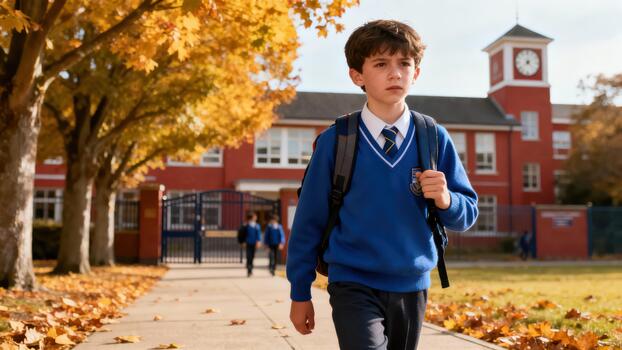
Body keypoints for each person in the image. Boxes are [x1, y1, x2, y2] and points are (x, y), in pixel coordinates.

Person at [286, 20, 479, 349]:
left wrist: (447, 199)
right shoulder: (336, 142)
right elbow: (309, 221)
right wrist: (299, 292)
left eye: (404, 63)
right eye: (381, 64)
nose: (395, 73)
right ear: (357, 76)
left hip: (412, 284)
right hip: (352, 281)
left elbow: (467, 213)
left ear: (416, 72)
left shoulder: (433, 138)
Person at [244, 212, 262, 277]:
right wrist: (243, 242)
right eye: (255, 216)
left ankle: (250, 269)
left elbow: (258, 235)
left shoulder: (257, 226)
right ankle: (249, 270)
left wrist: (259, 241)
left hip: (255, 243)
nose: (256, 218)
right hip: (248, 243)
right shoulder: (246, 226)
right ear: (252, 218)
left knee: (252, 256)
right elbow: (243, 234)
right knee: (248, 256)